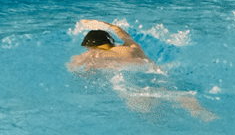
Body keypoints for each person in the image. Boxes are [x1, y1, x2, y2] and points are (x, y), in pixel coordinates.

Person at [68, 18, 217, 120]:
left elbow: (75, 69)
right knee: (178, 96)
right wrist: (102, 24)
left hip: (131, 83)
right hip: (156, 75)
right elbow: (121, 32)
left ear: (92, 46)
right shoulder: (132, 47)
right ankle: (205, 115)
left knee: (151, 116)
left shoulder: (94, 54)